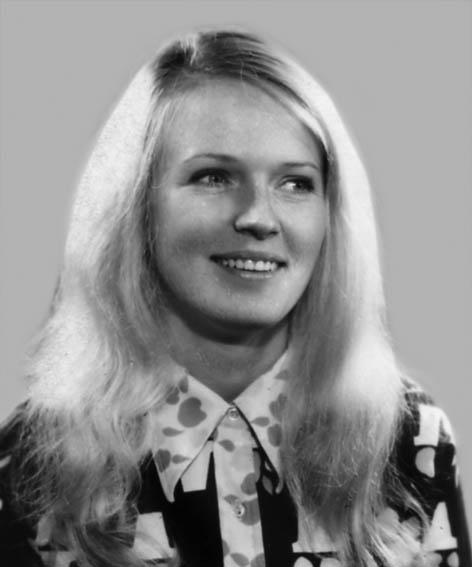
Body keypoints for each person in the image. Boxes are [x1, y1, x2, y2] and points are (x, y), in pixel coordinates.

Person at [0, 28, 469, 567]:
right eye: (214, 176)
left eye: (295, 183)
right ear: (136, 206)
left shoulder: (410, 437)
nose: (258, 217)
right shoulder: (31, 459)